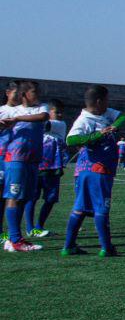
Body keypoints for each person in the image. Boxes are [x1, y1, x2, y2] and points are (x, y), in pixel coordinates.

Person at [62, 85, 125, 257]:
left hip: (91, 169)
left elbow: (123, 116)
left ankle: (69, 246)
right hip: (96, 169)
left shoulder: (106, 114)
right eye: (106, 100)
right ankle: (106, 247)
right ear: (99, 102)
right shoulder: (84, 120)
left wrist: (114, 127)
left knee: (80, 208)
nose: (109, 103)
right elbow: (71, 140)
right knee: (101, 208)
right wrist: (96, 135)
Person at [2, 80, 51, 252]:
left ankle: (13, 238)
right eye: (34, 92)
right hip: (16, 160)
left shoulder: (40, 108)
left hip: (33, 160)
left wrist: (16, 120)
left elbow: (43, 117)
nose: (38, 95)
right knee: (14, 196)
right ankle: (15, 239)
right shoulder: (9, 111)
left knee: (24, 197)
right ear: (24, 95)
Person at [27, 99, 67, 238]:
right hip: (37, 165)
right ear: (48, 112)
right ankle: (30, 228)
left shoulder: (59, 124)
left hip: (53, 167)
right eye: (57, 112)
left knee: (50, 198)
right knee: (32, 197)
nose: (60, 114)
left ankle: (39, 226)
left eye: (62, 112)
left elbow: (43, 124)